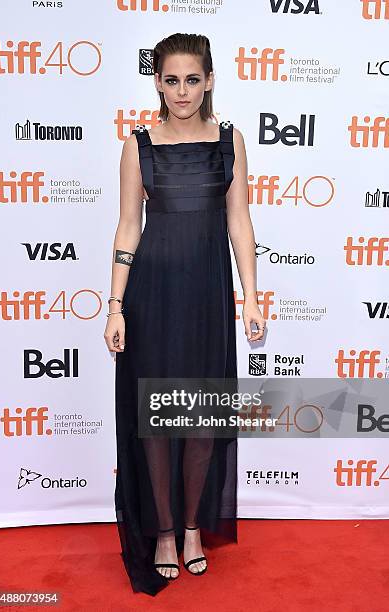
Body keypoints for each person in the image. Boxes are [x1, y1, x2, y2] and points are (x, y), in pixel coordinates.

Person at [104, 32, 265, 596]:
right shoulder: (139, 144)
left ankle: (194, 525)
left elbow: (239, 223)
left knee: (200, 417)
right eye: (170, 80)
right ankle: (166, 533)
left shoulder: (230, 142)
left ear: (210, 80)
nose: (181, 91)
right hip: (152, 295)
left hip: (207, 297)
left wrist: (250, 295)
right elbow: (128, 227)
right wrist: (116, 305)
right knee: (157, 421)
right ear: (157, 82)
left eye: (191, 79)